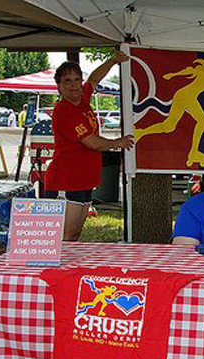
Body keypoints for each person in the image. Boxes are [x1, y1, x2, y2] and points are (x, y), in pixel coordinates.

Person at [44, 51, 135, 241]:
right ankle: (57, 270)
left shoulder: (82, 100)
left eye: (77, 79)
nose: (74, 85)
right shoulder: (64, 110)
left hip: (83, 179)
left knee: (75, 233)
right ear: (59, 86)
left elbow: (94, 79)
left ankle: (66, 270)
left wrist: (112, 61)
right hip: (66, 180)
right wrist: (118, 142)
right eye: (67, 81)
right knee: (65, 235)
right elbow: (92, 142)